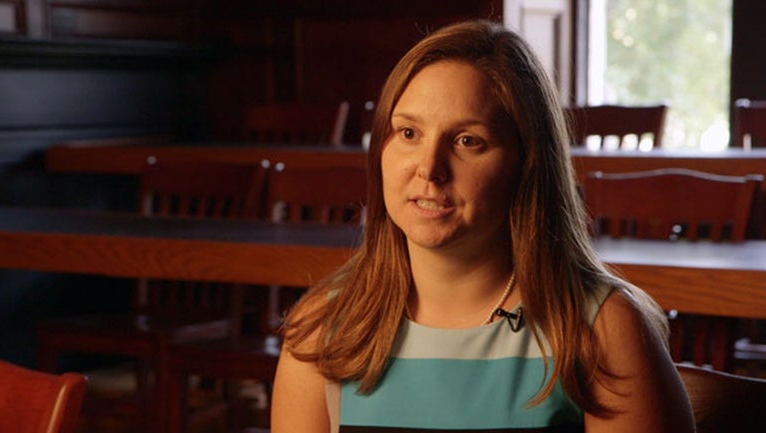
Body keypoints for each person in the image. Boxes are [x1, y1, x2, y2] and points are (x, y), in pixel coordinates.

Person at [272, 19, 694, 433]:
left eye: (467, 141)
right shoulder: (320, 330)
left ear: (527, 163)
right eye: (408, 132)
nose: (429, 168)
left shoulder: (602, 329)